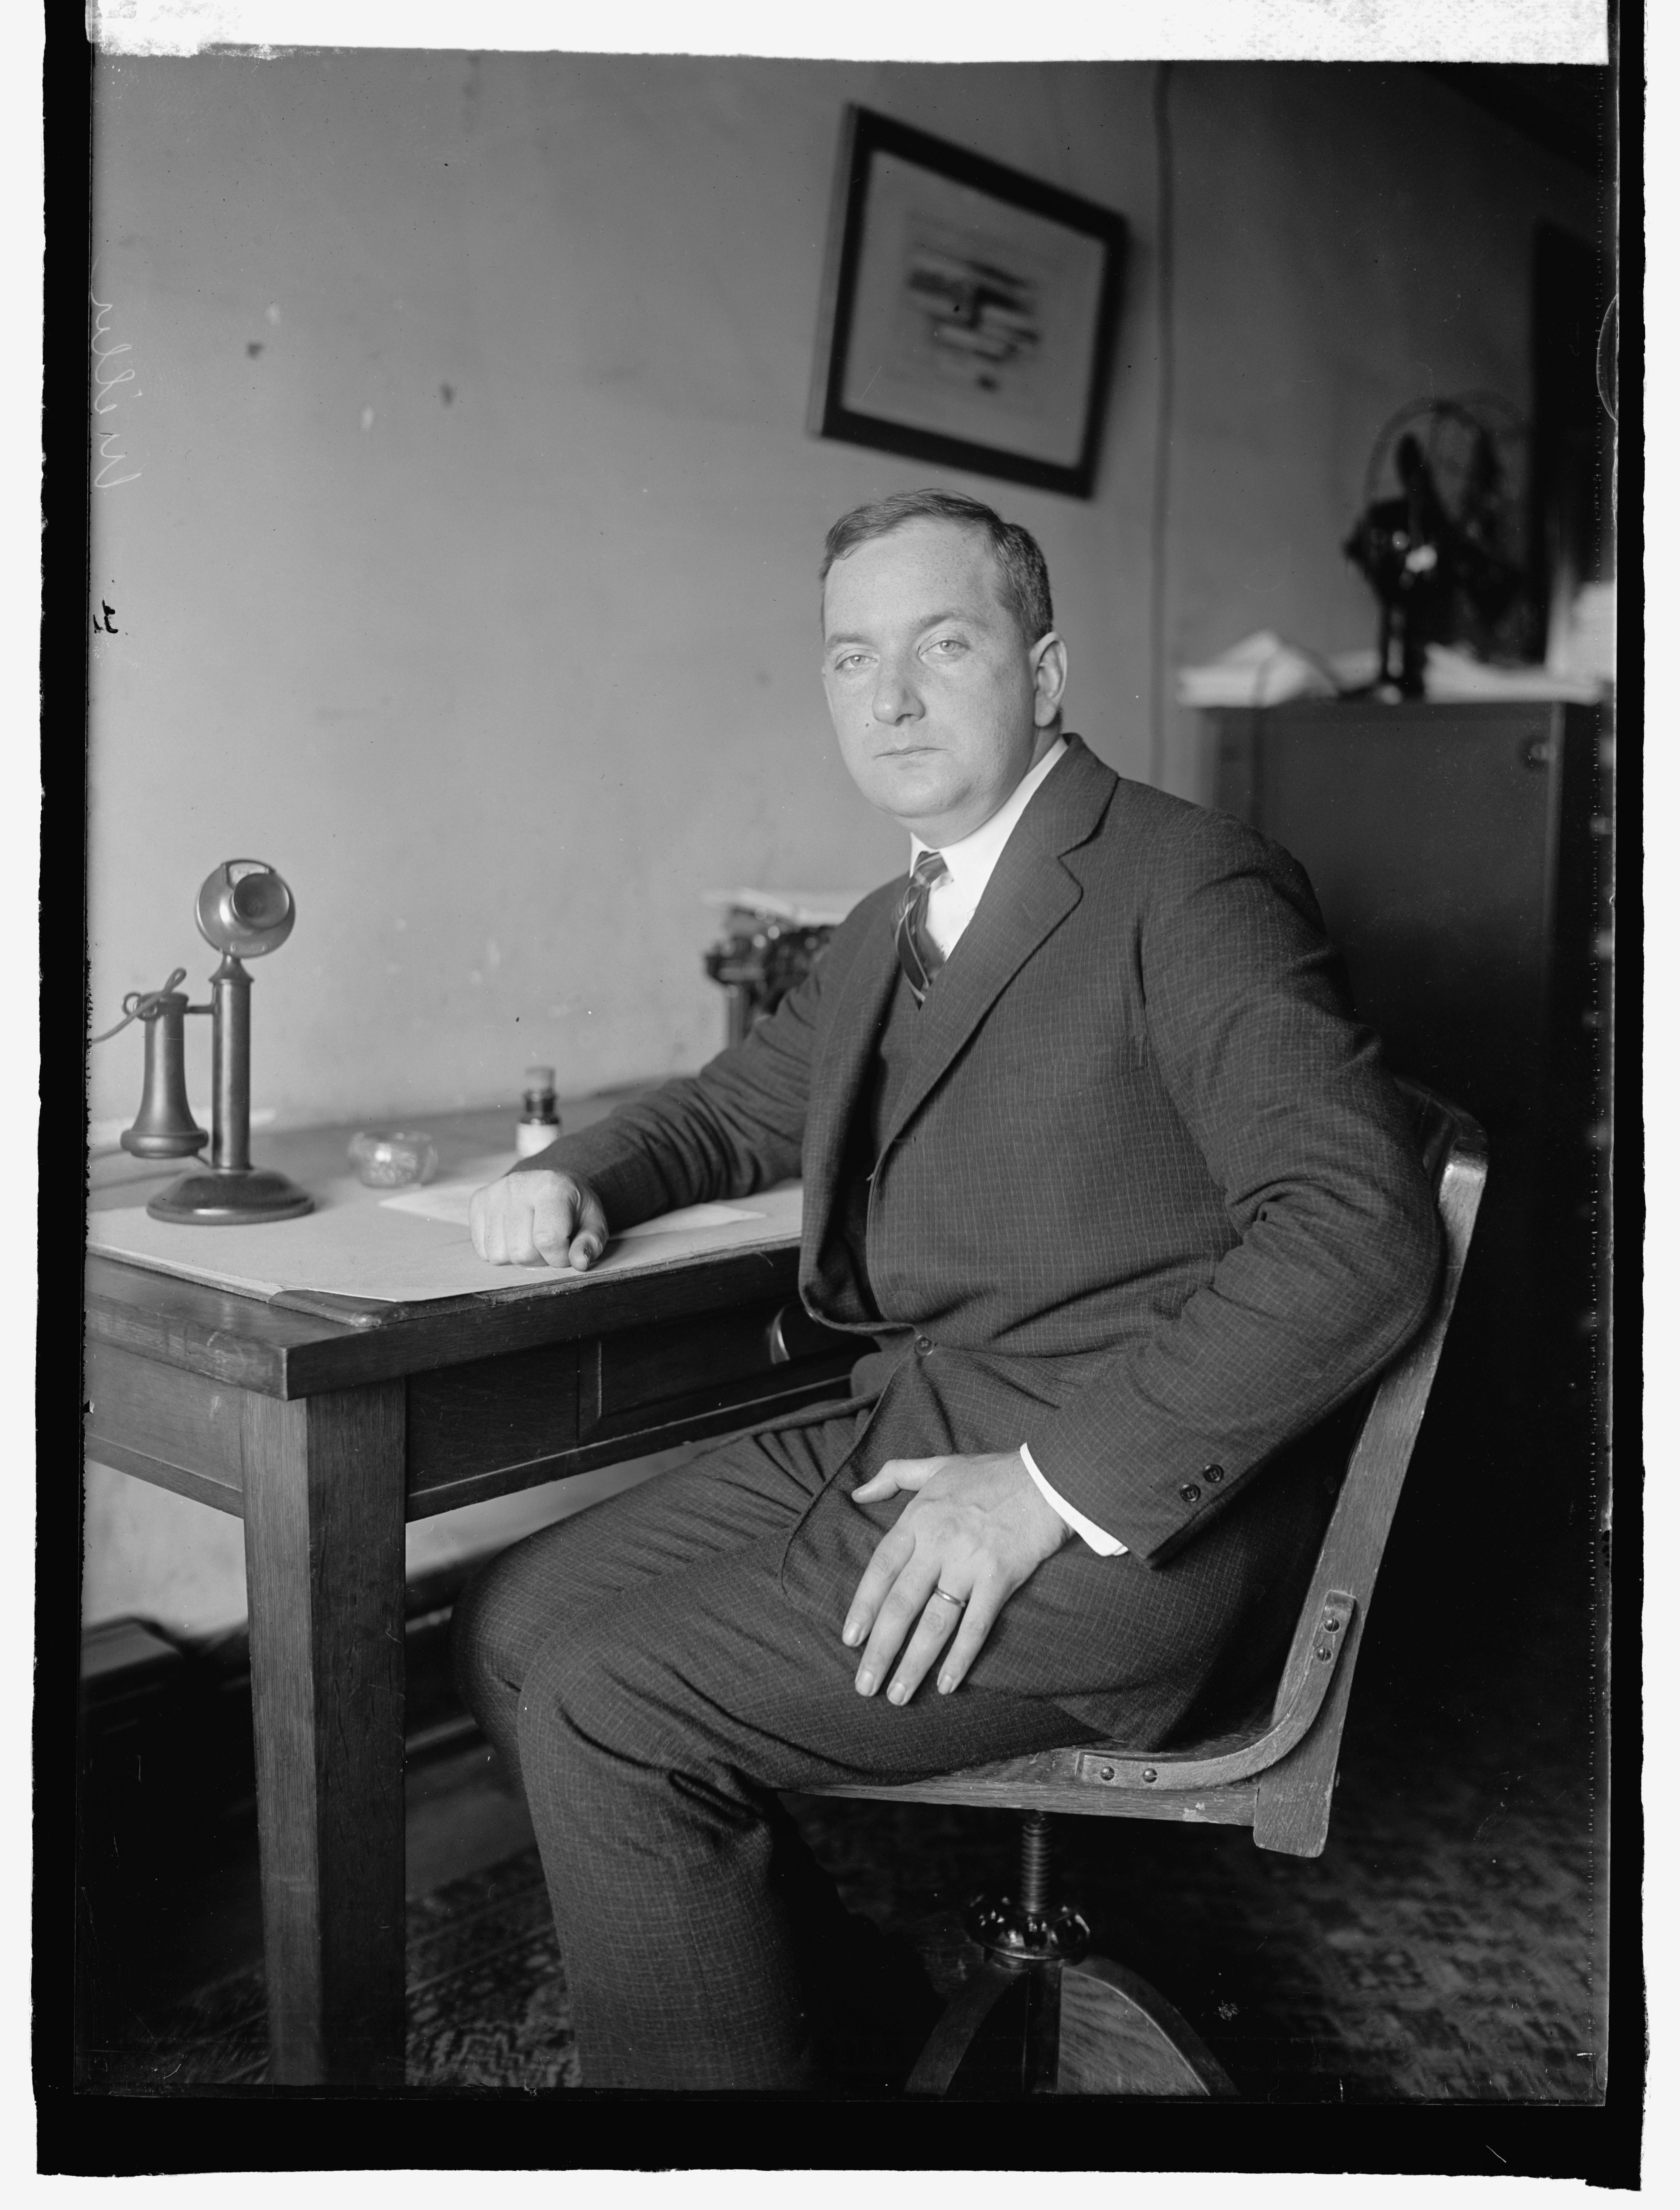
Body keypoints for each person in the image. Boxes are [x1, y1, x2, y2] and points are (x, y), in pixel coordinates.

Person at [452, 488, 1441, 2092]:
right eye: (852, 659)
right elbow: (727, 1110)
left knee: (603, 1701)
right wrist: (582, 1175)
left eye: (942, 646)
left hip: (1107, 1517)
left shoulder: (1185, 885)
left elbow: (1355, 1228)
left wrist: (1046, 1491)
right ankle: (819, 2027)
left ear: (1042, 673)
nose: (890, 697)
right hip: (916, 1433)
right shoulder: (883, 926)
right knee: (505, 1625)